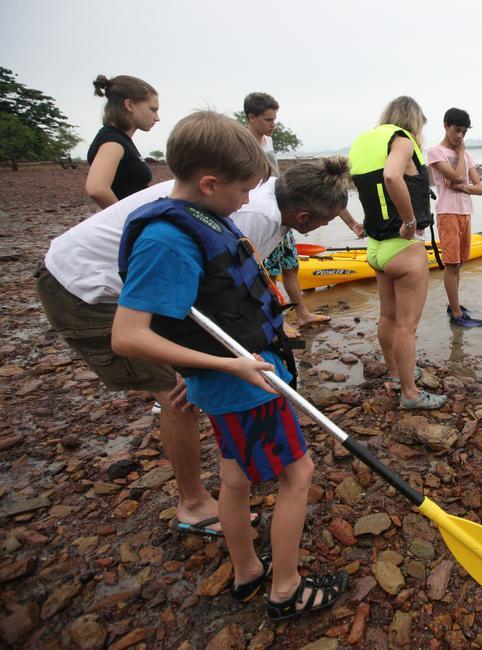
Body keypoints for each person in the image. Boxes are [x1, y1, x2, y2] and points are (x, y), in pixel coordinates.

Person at [37, 149, 358, 540]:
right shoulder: (250, 215)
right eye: (325, 222)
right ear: (304, 217)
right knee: (176, 391)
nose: (243, 195)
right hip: (84, 287)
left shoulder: (270, 196)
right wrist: (209, 366)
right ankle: (192, 503)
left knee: (193, 385)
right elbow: (215, 299)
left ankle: (228, 478)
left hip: (137, 280)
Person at [111, 110, 347, 619]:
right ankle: (286, 587)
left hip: (235, 379)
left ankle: (246, 571)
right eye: (243, 190)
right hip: (243, 383)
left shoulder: (199, 216)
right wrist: (226, 366)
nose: (247, 201)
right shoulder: (166, 238)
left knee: (236, 476)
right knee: (297, 474)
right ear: (210, 181)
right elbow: (128, 336)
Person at [348, 96, 447, 410]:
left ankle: (394, 374)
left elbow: (351, 182)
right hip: (403, 248)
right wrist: (409, 221)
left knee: (387, 316)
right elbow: (392, 176)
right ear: (414, 120)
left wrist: (351, 222)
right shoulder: (401, 140)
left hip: (376, 248)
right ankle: (410, 393)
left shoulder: (365, 142)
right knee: (407, 325)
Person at [243, 91, 328, 333]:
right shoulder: (242, 143)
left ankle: (301, 313)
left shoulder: (267, 142)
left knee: (291, 265)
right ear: (251, 117)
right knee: (264, 269)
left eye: (275, 119)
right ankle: (278, 321)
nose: (273, 125)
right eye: (268, 120)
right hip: (261, 211)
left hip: (282, 208)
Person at [427, 108, 482, 328]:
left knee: (459, 263)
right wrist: (460, 153)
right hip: (447, 212)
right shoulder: (436, 152)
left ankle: (455, 305)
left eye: (464, 132)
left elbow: (479, 189)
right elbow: (459, 175)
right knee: (451, 264)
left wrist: (462, 189)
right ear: (445, 126)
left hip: (465, 212)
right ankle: (456, 313)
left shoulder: (468, 155)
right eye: (456, 130)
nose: (460, 136)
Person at [85, 75, 160, 208]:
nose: (157, 118)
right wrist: (125, 219)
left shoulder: (121, 139)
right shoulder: (113, 142)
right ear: (129, 105)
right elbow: (96, 189)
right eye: (153, 109)